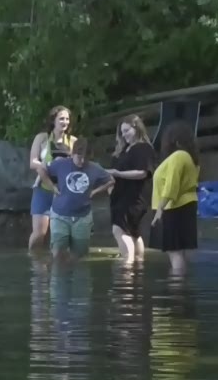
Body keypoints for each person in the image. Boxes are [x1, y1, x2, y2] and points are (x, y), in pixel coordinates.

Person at [37, 137, 114, 261]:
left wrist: (95, 191)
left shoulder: (95, 167)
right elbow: (41, 169)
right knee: (58, 252)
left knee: (79, 255)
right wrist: (52, 187)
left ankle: (77, 276)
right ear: (72, 153)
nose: (82, 161)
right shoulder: (61, 164)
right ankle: (59, 278)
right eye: (79, 157)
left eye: (86, 158)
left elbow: (111, 180)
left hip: (82, 216)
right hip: (59, 215)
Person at [106, 115, 157, 263]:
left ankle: (127, 264)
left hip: (134, 197)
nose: (124, 135)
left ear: (137, 128)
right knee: (133, 232)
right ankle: (137, 264)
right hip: (120, 195)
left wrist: (118, 173)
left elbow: (143, 173)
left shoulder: (143, 148)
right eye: (122, 132)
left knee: (119, 229)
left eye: (127, 130)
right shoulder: (124, 149)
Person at [150, 121, 200, 270]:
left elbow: (172, 185)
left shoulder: (178, 156)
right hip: (182, 206)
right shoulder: (190, 157)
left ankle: (176, 289)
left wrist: (159, 210)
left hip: (174, 207)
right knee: (178, 251)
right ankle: (180, 287)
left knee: (174, 252)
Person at [28, 106, 76, 251]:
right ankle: (33, 260)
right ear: (53, 120)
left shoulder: (73, 141)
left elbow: (79, 164)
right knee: (39, 233)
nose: (65, 122)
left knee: (62, 235)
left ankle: (60, 266)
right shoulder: (41, 138)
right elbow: (32, 162)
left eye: (67, 119)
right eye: (61, 118)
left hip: (63, 191)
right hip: (43, 189)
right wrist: (44, 165)